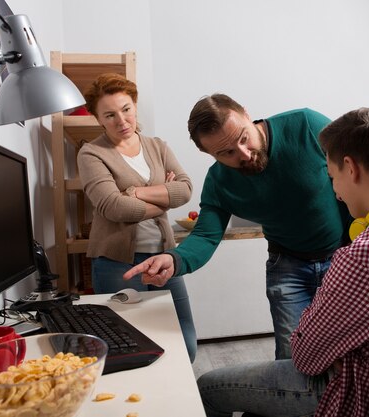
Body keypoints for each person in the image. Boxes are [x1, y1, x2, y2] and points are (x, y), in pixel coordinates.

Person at [196, 107, 369, 417]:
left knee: (207, 387)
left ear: (351, 168)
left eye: (331, 177)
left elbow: (304, 358)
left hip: (366, 393)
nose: (335, 192)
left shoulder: (365, 256)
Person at [124, 94, 351, 360]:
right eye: (227, 153)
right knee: (293, 360)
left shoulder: (307, 125)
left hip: (344, 256)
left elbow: (356, 171)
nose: (244, 154)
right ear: (207, 153)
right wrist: (174, 260)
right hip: (287, 266)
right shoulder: (219, 183)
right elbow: (206, 237)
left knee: (347, 352)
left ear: (246, 113)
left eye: (244, 138)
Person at [77, 73, 197, 362]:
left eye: (126, 109)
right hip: (117, 262)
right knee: (130, 346)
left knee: (186, 343)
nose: (122, 120)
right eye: (110, 114)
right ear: (98, 119)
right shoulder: (91, 153)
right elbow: (112, 207)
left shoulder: (157, 146)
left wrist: (133, 192)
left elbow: (185, 190)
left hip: (164, 257)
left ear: (135, 106)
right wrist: (162, 196)